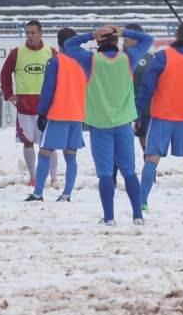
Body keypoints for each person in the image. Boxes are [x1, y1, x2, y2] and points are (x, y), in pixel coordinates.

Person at [64, 25, 153, 225]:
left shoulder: (90, 60)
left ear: (98, 42)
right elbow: (147, 39)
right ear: (116, 41)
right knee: (129, 171)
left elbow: (68, 45)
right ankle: (137, 216)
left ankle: (109, 218)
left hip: (99, 124)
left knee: (105, 174)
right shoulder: (128, 59)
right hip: (123, 122)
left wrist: (89, 35)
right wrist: (125, 31)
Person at [135, 22, 183, 212]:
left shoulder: (162, 57)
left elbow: (147, 87)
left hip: (161, 116)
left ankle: (142, 202)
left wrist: (138, 110)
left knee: (151, 159)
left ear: (176, 35)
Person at [27, 28, 86, 203]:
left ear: (60, 43)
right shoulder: (83, 63)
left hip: (58, 113)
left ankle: (38, 193)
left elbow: (48, 90)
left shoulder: (55, 61)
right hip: (77, 114)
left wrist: (42, 113)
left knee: (45, 152)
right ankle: (67, 194)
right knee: (71, 155)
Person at [0, 19, 58, 188]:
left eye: (33, 33)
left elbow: (60, 75)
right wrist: (9, 94)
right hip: (25, 107)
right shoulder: (17, 52)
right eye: (27, 33)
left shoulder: (51, 52)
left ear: (41, 33)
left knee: (49, 144)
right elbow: (4, 74)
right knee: (28, 142)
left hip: (46, 107)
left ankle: (53, 178)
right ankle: (33, 177)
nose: (30, 36)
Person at [113, 23, 152, 185]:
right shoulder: (117, 57)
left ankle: (150, 173)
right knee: (119, 141)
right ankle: (113, 175)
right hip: (121, 107)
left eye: (127, 38)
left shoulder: (149, 59)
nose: (124, 41)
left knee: (145, 139)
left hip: (144, 106)